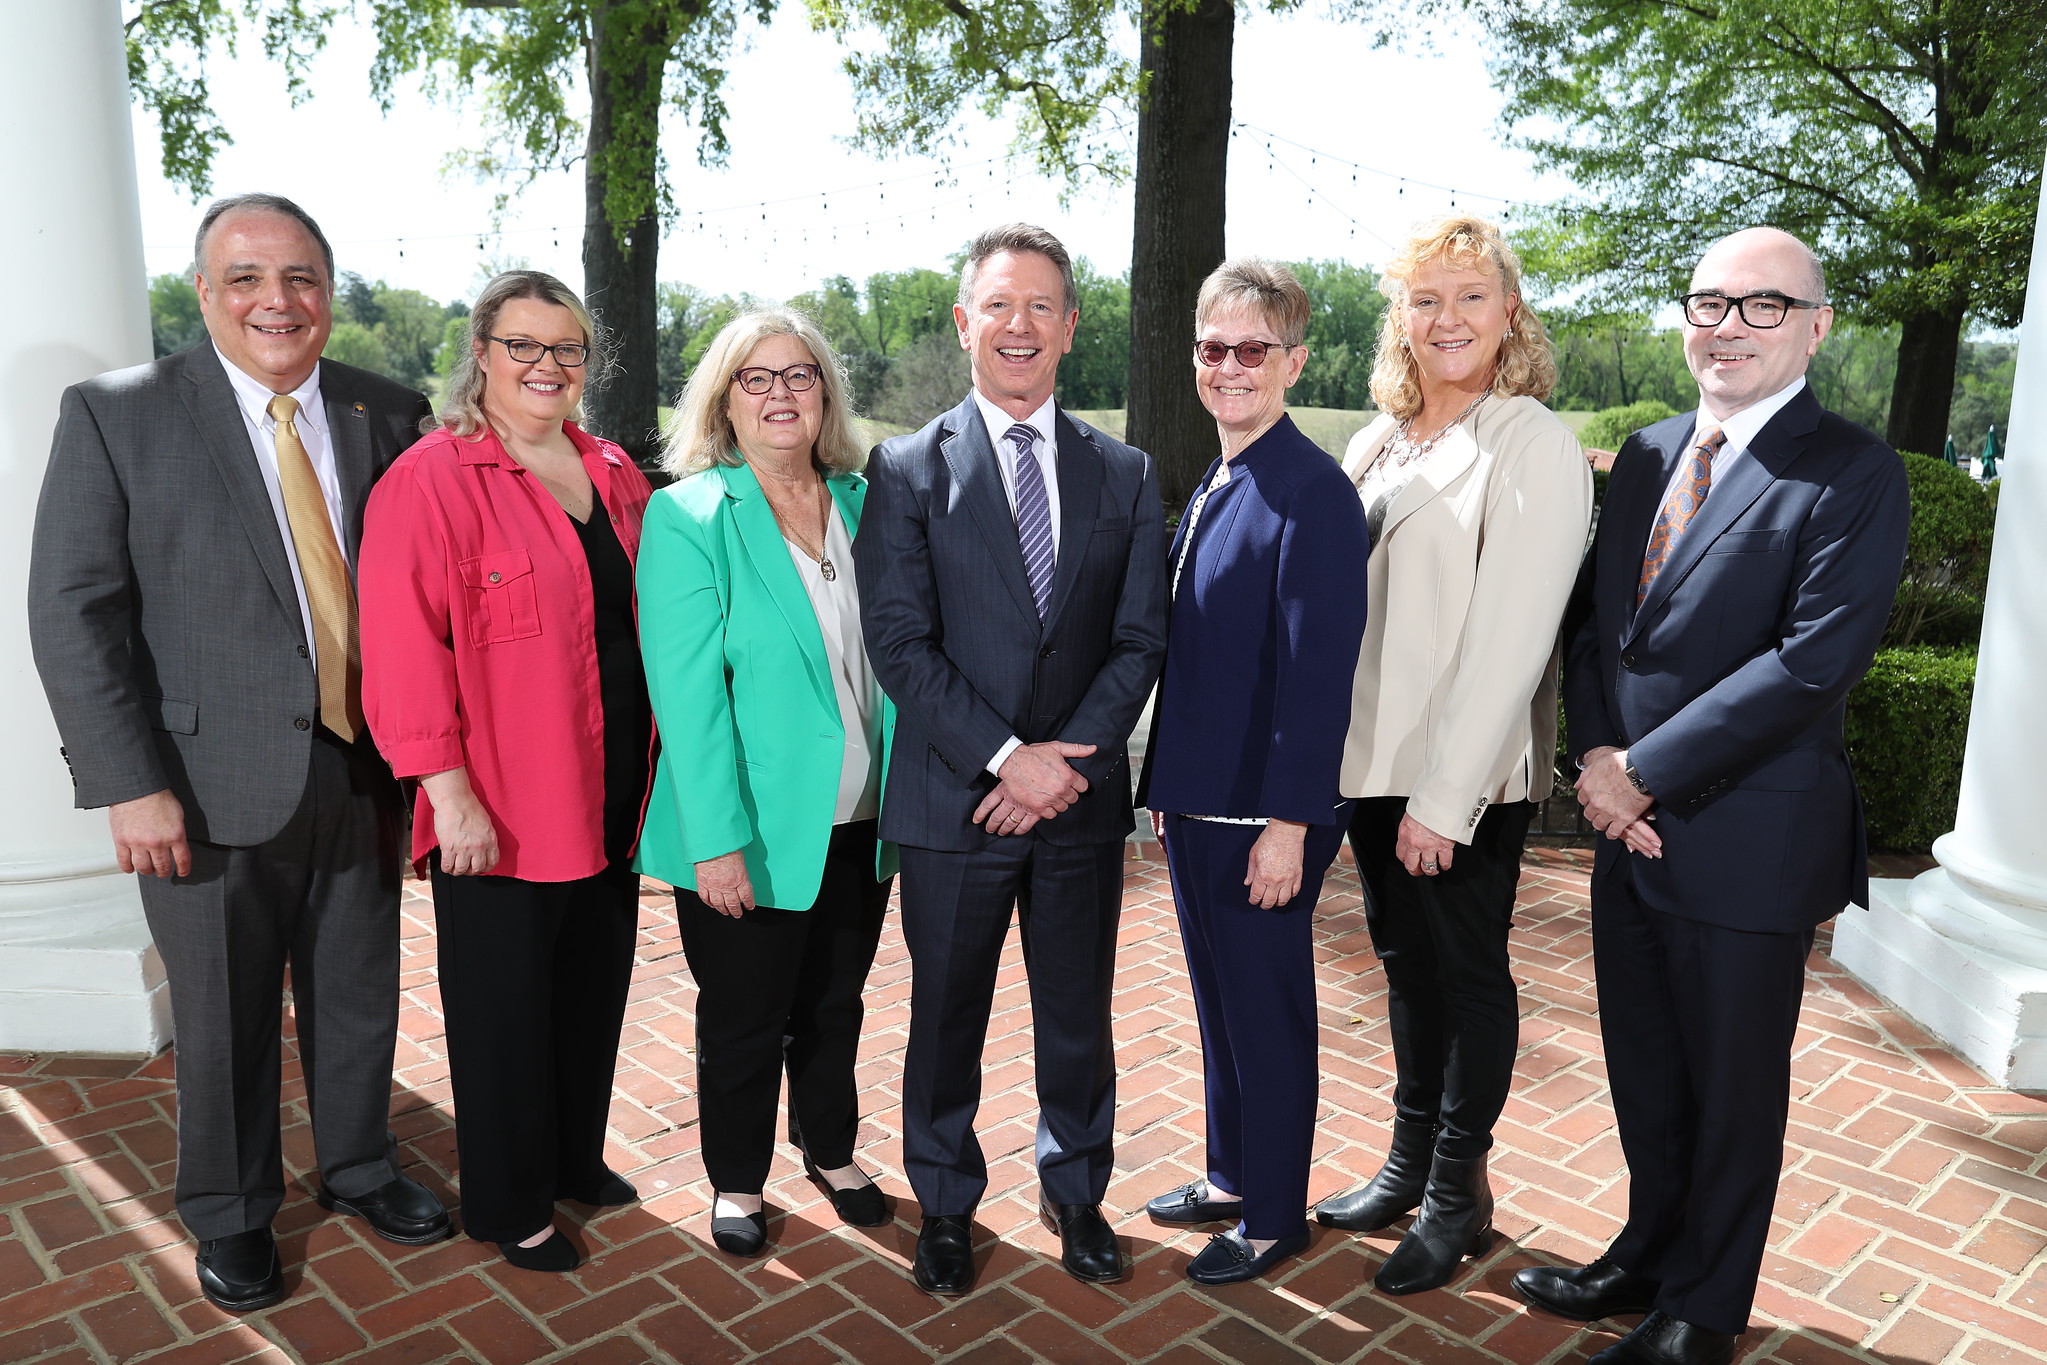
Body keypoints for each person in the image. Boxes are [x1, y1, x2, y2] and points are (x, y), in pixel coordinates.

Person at [26, 193, 450, 1312]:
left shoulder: (386, 411)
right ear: (206, 293)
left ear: (328, 290)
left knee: (359, 987)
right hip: (201, 786)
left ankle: (358, 1164)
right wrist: (129, 785)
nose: (279, 300)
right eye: (248, 278)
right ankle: (230, 1210)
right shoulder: (120, 415)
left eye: (301, 276)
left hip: (361, 764)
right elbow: (73, 611)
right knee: (221, 1010)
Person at [1516, 228, 1908, 1365]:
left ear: (1816, 327)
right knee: (1645, 1064)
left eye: (1762, 307)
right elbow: (1598, 630)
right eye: (1707, 302)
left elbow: (1808, 663)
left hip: (1746, 837)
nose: (1727, 326)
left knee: (1733, 1088)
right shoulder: (1641, 453)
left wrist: (1642, 770)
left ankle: (1703, 1310)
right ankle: (1646, 1252)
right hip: (1621, 826)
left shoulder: (1852, 472)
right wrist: (1596, 764)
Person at [854, 223, 1168, 1295]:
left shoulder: (1123, 472)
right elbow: (900, 641)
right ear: (964, 322)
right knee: (945, 1017)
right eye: (998, 304)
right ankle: (944, 1202)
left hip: (1076, 806)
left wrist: (1057, 769)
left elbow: (1138, 640)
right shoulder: (903, 468)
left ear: (1071, 328)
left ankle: (1075, 1190)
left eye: (1041, 306)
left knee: (1076, 1015)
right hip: (954, 805)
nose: (1019, 325)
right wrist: (1003, 760)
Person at [1315, 214, 1592, 1296]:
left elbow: (1516, 634)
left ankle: (1456, 1194)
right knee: (1402, 969)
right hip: (1368, 769)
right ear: (1402, 319)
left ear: (1509, 313)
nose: (1447, 318)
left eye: (1471, 296)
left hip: (1457, 778)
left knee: (1468, 976)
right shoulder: (1374, 442)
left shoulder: (1531, 441)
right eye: (1425, 299)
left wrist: (1445, 797)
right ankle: (1405, 1161)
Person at [357, 270, 654, 1274]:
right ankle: (507, 1200)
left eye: (566, 349)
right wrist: (446, 792)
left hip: (611, 791)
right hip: (501, 809)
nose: (547, 366)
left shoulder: (611, 470)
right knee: (502, 1015)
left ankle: (572, 1158)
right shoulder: (431, 481)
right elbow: (400, 652)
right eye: (523, 346)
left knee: (589, 992)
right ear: (480, 354)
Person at [633, 310, 898, 1257]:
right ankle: (737, 1179)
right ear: (723, 399)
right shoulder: (689, 514)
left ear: (824, 393)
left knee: (836, 1001)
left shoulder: (869, 502)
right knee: (745, 1016)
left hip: (861, 817)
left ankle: (829, 1147)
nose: (779, 393)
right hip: (745, 825)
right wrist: (714, 839)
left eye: (798, 375)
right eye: (755, 378)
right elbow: (687, 697)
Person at [1136, 260, 1370, 1284]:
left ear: (1294, 361)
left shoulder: (1311, 492)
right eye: (1213, 348)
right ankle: (1233, 1172)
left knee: (1265, 1011)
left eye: (1253, 350)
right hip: (1198, 800)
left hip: (1259, 813)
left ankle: (1274, 1213)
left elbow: (1320, 676)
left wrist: (1290, 821)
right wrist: (1165, 791)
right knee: (1219, 1003)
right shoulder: (1221, 471)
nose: (1230, 367)